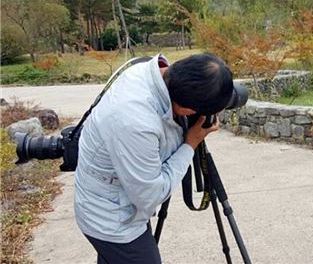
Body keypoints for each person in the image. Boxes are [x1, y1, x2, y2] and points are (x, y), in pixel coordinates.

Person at [74, 53, 235, 264]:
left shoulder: (152, 72)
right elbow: (150, 195)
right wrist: (190, 144)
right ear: (187, 110)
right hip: (112, 219)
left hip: (119, 197)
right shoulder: (135, 121)